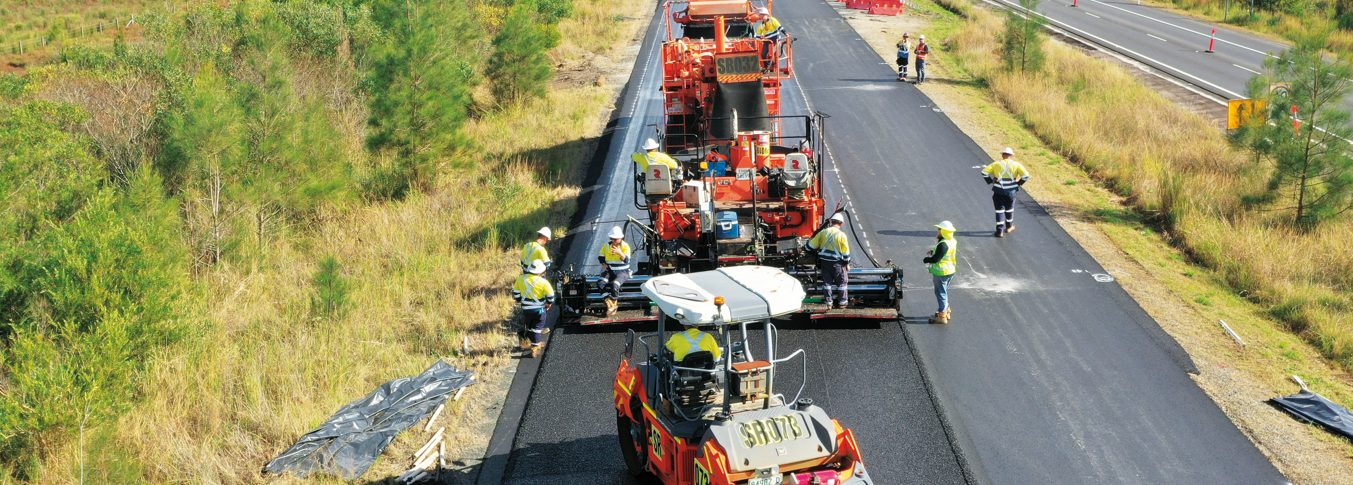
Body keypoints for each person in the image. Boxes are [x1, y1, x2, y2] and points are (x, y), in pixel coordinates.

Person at [981, 147, 1031, 238]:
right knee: (1009, 209)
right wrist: (1018, 184)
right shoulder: (1016, 165)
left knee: (999, 210)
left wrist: (991, 181)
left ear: (1002, 155)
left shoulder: (996, 164)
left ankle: (999, 231)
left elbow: (984, 172)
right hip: (1011, 191)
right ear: (1011, 156)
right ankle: (1009, 227)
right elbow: (1026, 176)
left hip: (998, 191)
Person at [806, 213, 851, 308]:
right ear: (841, 223)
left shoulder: (823, 232)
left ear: (831, 222)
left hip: (825, 263)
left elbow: (810, 246)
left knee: (827, 283)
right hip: (838, 264)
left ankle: (828, 303)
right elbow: (846, 254)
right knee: (842, 283)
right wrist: (847, 264)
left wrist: (805, 246)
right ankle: (842, 303)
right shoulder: (842, 235)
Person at [512, 260, 556, 357]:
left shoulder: (520, 279)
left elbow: (516, 295)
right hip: (539, 310)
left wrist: (520, 300)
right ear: (541, 271)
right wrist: (548, 303)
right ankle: (535, 347)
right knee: (537, 328)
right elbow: (551, 296)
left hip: (526, 309)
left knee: (530, 326)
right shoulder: (543, 282)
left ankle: (533, 342)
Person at [922, 221, 957, 324]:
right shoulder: (951, 241)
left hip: (941, 272)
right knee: (944, 291)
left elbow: (936, 259)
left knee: (940, 292)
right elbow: (943, 253)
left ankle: (942, 316)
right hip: (950, 270)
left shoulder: (943, 244)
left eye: (939, 229)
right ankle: (947, 310)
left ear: (943, 231)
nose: (937, 231)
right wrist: (933, 252)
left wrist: (926, 259)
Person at [598, 226, 632, 316]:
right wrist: (604, 264)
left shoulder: (625, 246)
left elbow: (627, 260)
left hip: (623, 272)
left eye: (615, 239)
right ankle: (609, 303)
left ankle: (614, 302)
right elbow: (601, 257)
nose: (613, 241)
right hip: (610, 271)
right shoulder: (606, 245)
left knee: (615, 284)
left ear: (621, 238)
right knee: (600, 283)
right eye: (612, 239)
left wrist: (619, 252)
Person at [754, 7, 786, 71]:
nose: (761, 17)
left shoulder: (772, 20)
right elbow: (757, 35)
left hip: (775, 40)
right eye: (760, 15)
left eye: (762, 15)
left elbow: (779, 27)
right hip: (767, 41)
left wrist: (785, 33)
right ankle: (766, 67)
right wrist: (755, 38)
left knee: (772, 54)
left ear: (766, 15)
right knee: (763, 54)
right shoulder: (762, 25)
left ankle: (772, 64)